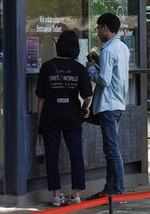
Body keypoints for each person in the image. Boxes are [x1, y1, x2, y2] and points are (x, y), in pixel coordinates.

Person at [36, 30, 93, 206]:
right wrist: (85, 109)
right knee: (76, 154)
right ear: (76, 48)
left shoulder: (47, 67)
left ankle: (56, 196)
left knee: (51, 155)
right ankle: (76, 195)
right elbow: (88, 96)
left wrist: (39, 122)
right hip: (72, 116)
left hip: (50, 116)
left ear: (58, 46)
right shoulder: (79, 68)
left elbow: (41, 98)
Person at [85, 13, 130, 200]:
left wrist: (90, 68)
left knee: (112, 150)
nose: (97, 32)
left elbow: (104, 79)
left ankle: (116, 190)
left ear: (105, 28)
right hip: (118, 103)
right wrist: (98, 62)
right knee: (111, 149)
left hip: (108, 105)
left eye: (98, 28)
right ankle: (110, 188)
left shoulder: (108, 50)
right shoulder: (122, 47)